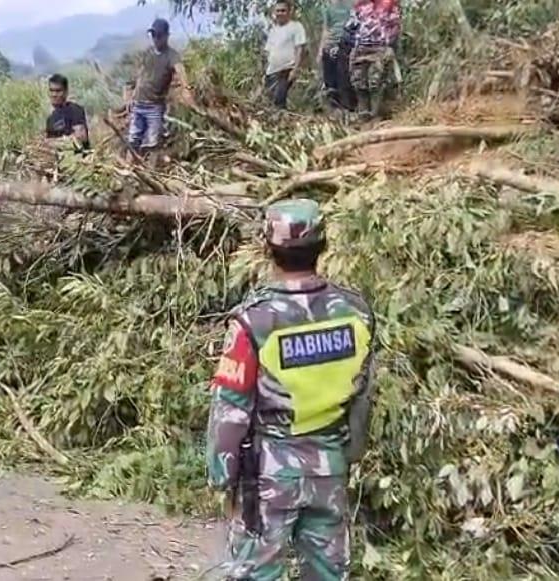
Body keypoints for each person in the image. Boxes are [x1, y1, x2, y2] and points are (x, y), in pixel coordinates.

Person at [205, 199, 377, 581]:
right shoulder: (356, 314)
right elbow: (362, 397)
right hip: (329, 468)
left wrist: (221, 473)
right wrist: (349, 454)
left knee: (255, 573)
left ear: (268, 249)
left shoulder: (255, 321)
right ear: (322, 246)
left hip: (268, 474)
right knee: (328, 573)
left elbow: (231, 410)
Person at [126, 18, 192, 154]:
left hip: (154, 106)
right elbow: (140, 74)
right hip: (139, 103)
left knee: (152, 143)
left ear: (167, 36)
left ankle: (149, 171)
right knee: (133, 140)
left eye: (159, 36)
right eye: (154, 35)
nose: (156, 39)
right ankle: (130, 168)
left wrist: (186, 88)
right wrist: (130, 95)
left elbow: (180, 69)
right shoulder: (148, 53)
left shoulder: (171, 55)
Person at [348, 0, 402, 120]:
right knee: (359, 81)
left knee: (375, 81)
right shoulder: (359, 5)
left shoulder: (389, 4)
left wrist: (388, 45)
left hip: (379, 48)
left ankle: (375, 113)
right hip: (361, 47)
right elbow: (351, 26)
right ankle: (363, 112)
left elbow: (395, 27)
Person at [263, 1, 308, 110]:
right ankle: (277, 124)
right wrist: (264, 72)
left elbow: (300, 49)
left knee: (279, 99)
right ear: (274, 12)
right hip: (271, 71)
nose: (280, 13)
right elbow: (267, 52)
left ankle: (282, 121)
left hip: (286, 69)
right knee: (270, 102)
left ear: (289, 12)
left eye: (283, 10)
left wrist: (295, 70)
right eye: (278, 11)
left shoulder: (296, 27)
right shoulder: (273, 30)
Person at [319, 0, 357, 113]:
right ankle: (335, 108)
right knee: (330, 79)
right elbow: (326, 29)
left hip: (347, 42)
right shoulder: (328, 7)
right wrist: (321, 49)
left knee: (344, 75)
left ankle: (348, 106)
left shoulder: (353, 4)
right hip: (330, 43)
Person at [45, 73, 90, 151]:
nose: (54, 94)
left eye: (58, 91)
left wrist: (55, 143)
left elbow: (81, 138)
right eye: (51, 91)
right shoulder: (50, 119)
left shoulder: (75, 110)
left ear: (66, 92)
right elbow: (48, 145)